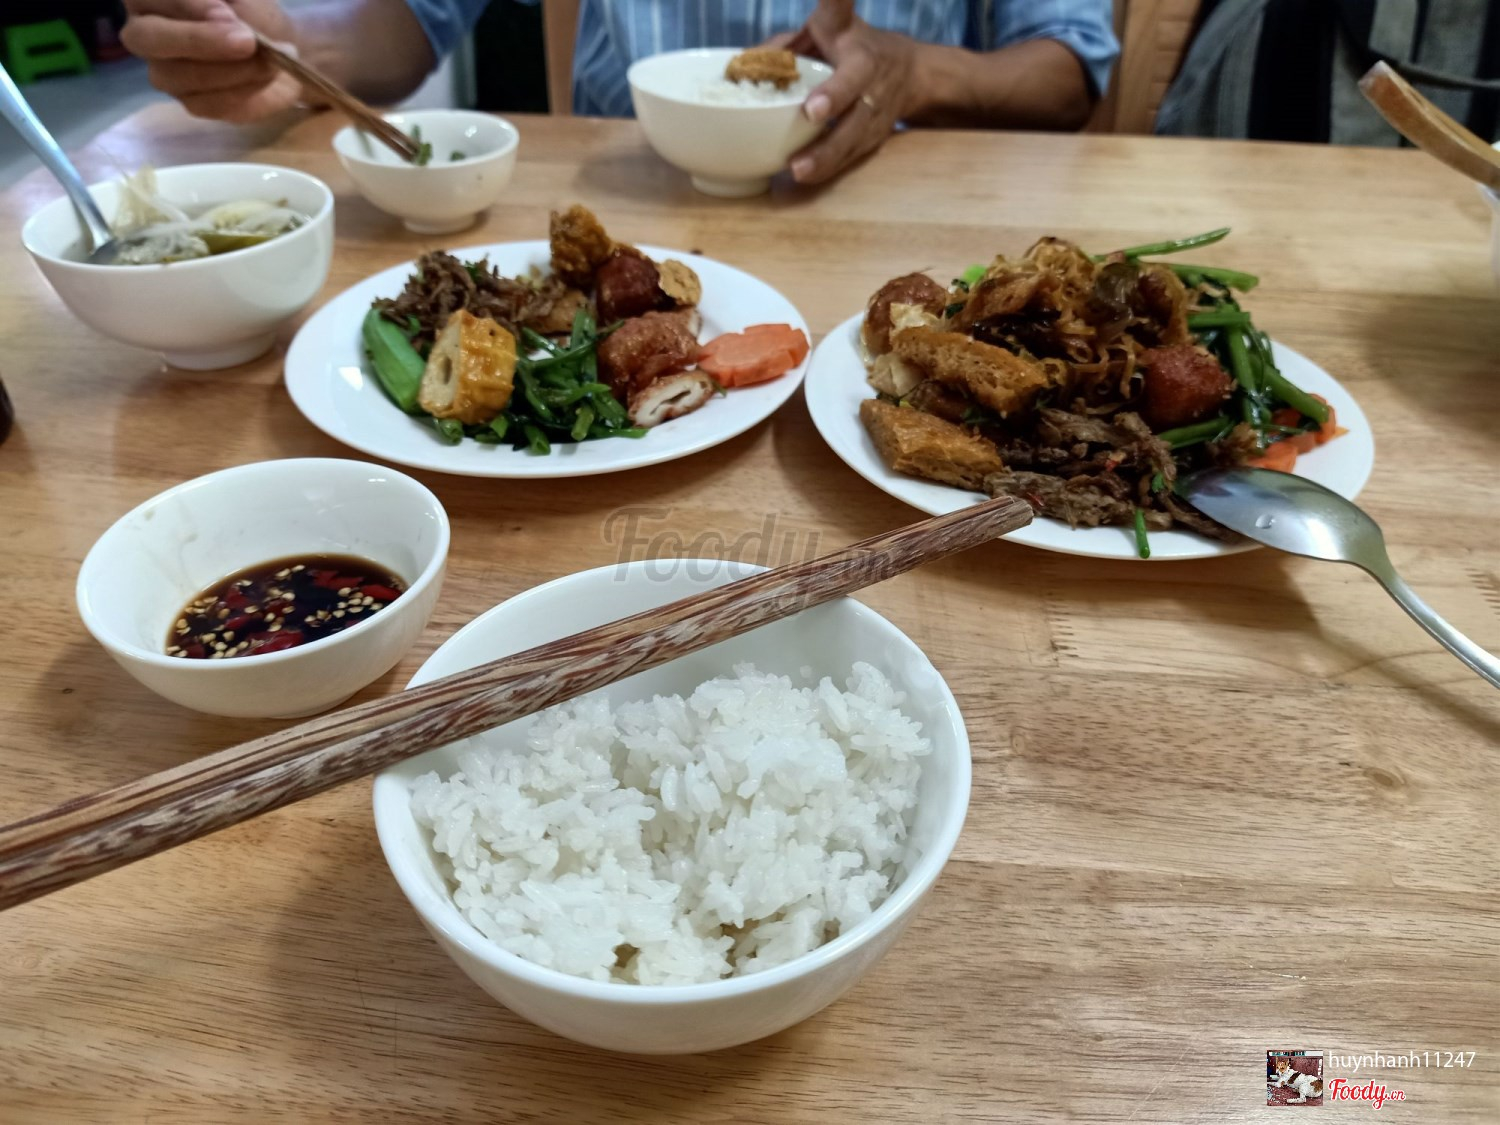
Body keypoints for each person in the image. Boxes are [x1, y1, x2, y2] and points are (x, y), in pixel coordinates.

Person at [120, 0, 1118, 184]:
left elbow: (1071, 67)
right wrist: (287, 42)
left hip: (896, 207)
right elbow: (413, 19)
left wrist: (922, 69)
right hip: (621, 194)